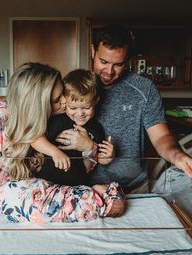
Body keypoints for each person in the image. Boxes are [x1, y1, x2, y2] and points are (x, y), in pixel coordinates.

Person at [0, 62, 126, 227]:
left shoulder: (52, 121)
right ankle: (99, 198)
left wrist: (89, 148)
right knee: (13, 192)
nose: (65, 103)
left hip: (31, 199)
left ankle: (101, 199)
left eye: (63, 95)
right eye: (56, 100)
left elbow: (73, 168)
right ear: (36, 102)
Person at [55, 24, 192, 194]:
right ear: (93, 51)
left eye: (118, 64)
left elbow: (161, 136)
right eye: (103, 62)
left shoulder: (145, 89)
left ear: (128, 59)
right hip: (86, 189)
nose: (109, 71)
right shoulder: (74, 88)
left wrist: (177, 156)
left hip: (134, 188)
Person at [33, 69, 115, 186]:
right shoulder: (56, 121)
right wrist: (55, 152)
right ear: (65, 100)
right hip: (47, 183)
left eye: (86, 108)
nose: (80, 113)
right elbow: (35, 139)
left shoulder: (97, 129)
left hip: (78, 185)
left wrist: (108, 157)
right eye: (73, 108)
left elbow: (96, 160)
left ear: (96, 101)